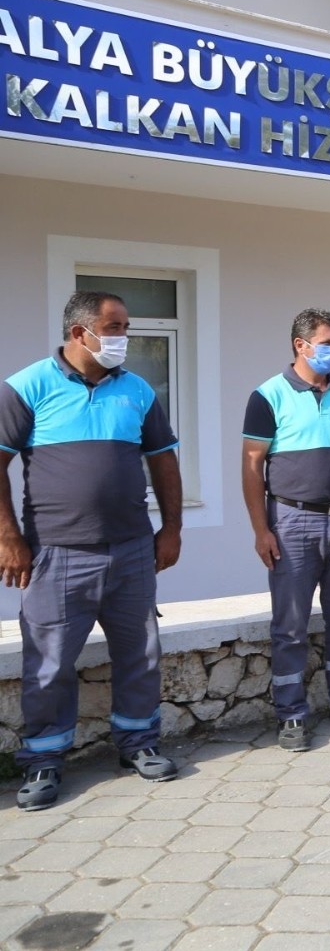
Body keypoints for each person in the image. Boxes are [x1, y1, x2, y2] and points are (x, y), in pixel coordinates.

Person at [1, 291, 183, 810]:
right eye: (115, 327)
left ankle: (139, 743)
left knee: (140, 653)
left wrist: (172, 528)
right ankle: (43, 762)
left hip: (130, 550)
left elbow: (164, 462)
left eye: (125, 326)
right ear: (80, 333)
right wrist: (9, 537)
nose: (124, 337)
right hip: (56, 554)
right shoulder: (27, 387)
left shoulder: (138, 391)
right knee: (48, 663)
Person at [243, 308, 330, 752]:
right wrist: (261, 529)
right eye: (328, 342)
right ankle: (292, 715)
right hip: (291, 522)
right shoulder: (268, 396)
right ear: (301, 345)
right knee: (290, 624)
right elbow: (251, 466)